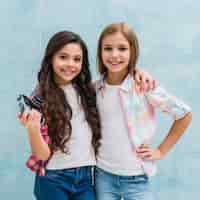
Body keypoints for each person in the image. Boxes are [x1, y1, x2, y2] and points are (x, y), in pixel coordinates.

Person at [17, 30, 154, 200]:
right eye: (63, 57)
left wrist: (137, 72)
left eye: (77, 59)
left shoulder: (90, 90)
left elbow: (116, 79)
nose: (70, 64)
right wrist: (33, 129)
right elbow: (42, 155)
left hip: (86, 178)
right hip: (53, 179)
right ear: (51, 58)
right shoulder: (40, 98)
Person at [94, 22, 192, 200]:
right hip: (103, 177)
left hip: (137, 179)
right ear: (100, 52)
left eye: (122, 48)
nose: (114, 55)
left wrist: (161, 151)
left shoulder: (143, 86)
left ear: (132, 52)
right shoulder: (95, 90)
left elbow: (184, 114)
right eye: (108, 48)